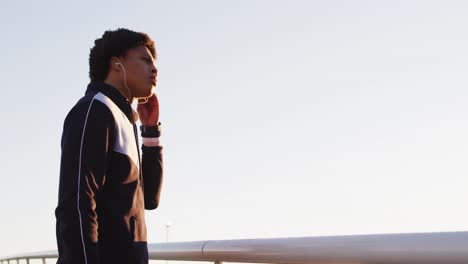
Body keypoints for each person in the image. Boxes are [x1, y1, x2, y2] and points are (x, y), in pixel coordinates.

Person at [55, 28, 163, 264]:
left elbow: (148, 201)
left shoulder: (125, 120)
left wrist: (151, 133)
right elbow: (76, 203)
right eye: (145, 60)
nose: (154, 69)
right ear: (117, 63)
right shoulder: (95, 109)